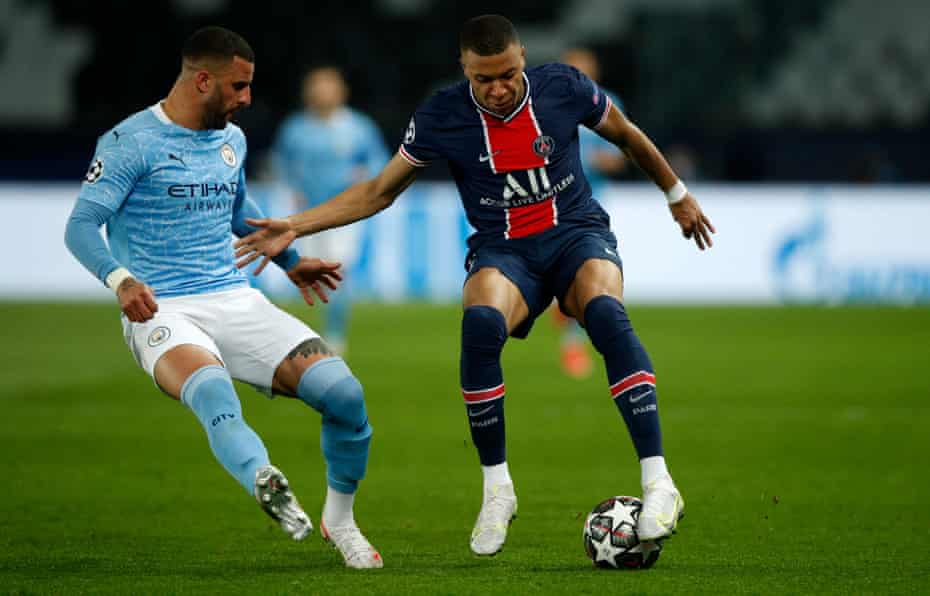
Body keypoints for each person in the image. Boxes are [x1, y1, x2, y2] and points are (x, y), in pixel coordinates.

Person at [235, 15, 715, 557]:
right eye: (484, 78)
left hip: (576, 233)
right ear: (464, 70)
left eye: (508, 73)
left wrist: (677, 195)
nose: (498, 87)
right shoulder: (443, 115)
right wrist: (294, 226)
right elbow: (377, 191)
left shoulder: (563, 87)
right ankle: (497, 490)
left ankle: (659, 483)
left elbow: (625, 135)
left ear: (522, 59)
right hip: (504, 251)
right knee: (481, 324)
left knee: (605, 313)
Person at [63, 26, 382, 569]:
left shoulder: (231, 140)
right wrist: (122, 280)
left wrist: (291, 261)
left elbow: (238, 216)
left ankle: (341, 521)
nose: (247, 99)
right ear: (202, 79)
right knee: (211, 389)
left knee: (345, 395)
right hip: (162, 306)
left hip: (236, 298)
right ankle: (264, 477)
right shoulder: (130, 142)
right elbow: (80, 226)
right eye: (238, 87)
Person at [271, 67, 390, 354]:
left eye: (328, 87)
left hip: (344, 214)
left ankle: (335, 336)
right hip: (304, 216)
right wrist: (291, 186)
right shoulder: (295, 128)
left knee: (337, 271)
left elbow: (379, 161)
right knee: (305, 274)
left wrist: (364, 178)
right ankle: (301, 336)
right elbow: (280, 162)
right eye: (317, 87)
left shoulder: (358, 127)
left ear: (341, 91)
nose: (322, 93)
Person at [552, 46, 629, 379]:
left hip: (590, 205)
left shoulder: (607, 104)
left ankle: (572, 340)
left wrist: (597, 159)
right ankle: (564, 308)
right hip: (549, 203)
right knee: (567, 274)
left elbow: (620, 155)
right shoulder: (546, 103)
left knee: (585, 274)